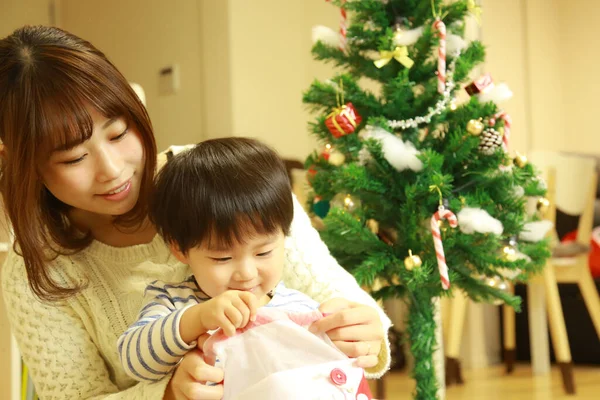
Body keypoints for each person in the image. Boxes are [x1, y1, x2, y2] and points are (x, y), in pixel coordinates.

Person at [0, 25, 391, 400]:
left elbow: (340, 297)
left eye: (118, 134)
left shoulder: (227, 180)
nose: (112, 169)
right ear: (24, 165)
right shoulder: (35, 269)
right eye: (74, 157)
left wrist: (365, 331)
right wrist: (168, 394)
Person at [119, 137, 332, 382]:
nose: (247, 273)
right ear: (180, 249)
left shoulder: (298, 307)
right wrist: (197, 318)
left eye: (263, 253)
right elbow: (134, 362)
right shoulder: (173, 302)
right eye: (222, 258)